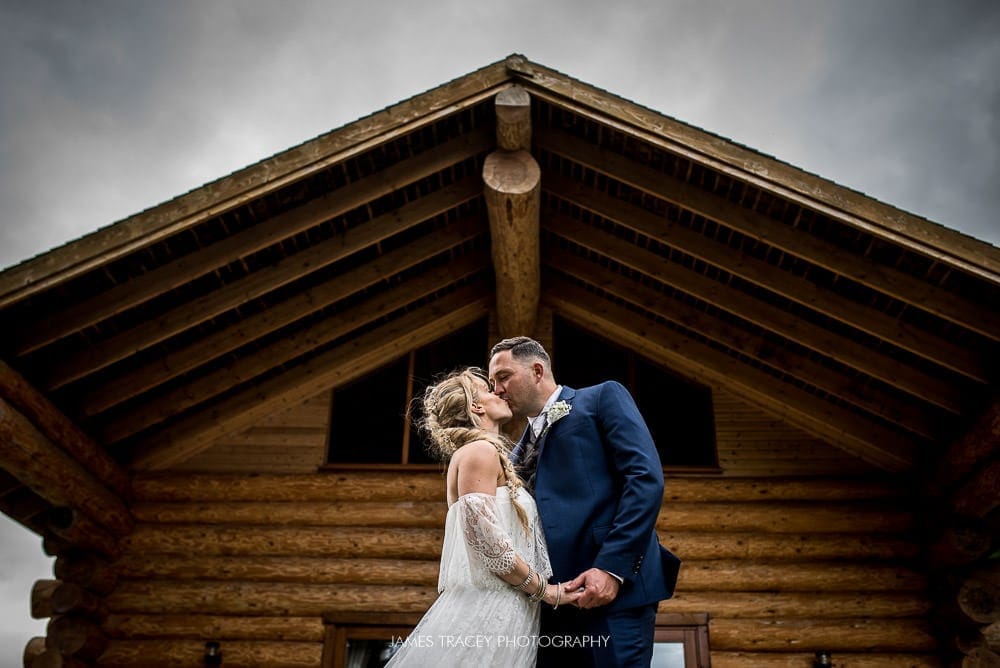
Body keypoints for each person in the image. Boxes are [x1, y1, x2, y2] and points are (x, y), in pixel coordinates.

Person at [488, 336, 681, 667]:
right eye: (492, 383)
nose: (496, 390)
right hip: (552, 605)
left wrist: (611, 568)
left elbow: (644, 479)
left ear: (537, 370)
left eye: (503, 377)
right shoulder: (514, 452)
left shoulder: (601, 398)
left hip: (614, 594)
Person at [385, 367, 581, 667]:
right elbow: (486, 541)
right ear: (476, 406)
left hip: (510, 605)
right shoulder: (479, 452)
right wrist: (546, 590)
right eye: (489, 390)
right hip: (490, 607)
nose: (499, 392)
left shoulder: (480, 452)